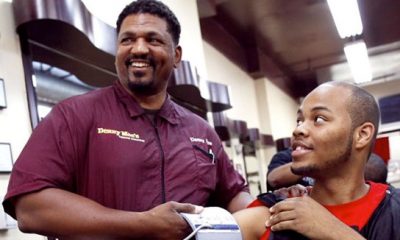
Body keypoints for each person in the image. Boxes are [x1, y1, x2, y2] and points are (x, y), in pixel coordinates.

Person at [2, 1, 253, 239]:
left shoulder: (201, 130)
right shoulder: (74, 115)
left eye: (153, 40)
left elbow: (234, 194)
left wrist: (270, 207)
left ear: (176, 55)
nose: (139, 48)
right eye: (127, 40)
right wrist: (145, 224)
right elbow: (30, 208)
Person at [233, 81, 400, 240]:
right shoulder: (271, 216)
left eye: (319, 119)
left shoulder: (393, 210)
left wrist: (335, 231)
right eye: (299, 120)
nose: (299, 129)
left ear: (362, 135)